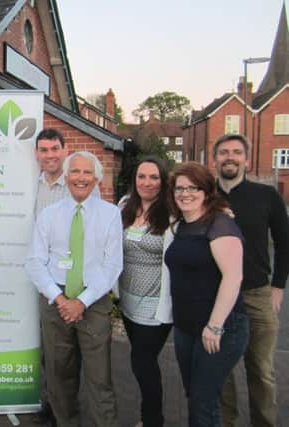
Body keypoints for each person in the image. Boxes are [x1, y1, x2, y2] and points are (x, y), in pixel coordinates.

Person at [25, 151, 122, 427]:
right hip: (55, 302)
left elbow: (112, 265)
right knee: (59, 376)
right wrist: (59, 299)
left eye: (87, 173)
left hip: (94, 302)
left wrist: (81, 301)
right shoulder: (48, 215)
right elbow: (34, 261)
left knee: (99, 378)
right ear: (67, 177)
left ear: (96, 179)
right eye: (76, 172)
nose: (81, 178)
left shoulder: (111, 215)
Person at [164, 162, 248, 427]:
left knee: (204, 401)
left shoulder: (220, 224)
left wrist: (215, 325)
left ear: (207, 191)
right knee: (195, 396)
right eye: (180, 188)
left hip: (219, 327)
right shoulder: (181, 224)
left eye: (193, 188)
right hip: (186, 327)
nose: (185, 193)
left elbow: (233, 278)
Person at [214, 134, 289, 427]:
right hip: (216, 296)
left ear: (246, 158)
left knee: (261, 369)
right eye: (223, 152)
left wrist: (278, 286)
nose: (229, 157)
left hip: (256, 294)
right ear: (215, 159)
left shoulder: (266, 195)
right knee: (220, 369)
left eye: (236, 152)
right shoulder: (204, 195)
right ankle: (225, 422)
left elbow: (284, 243)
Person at [118, 157, 172, 427]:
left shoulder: (173, 213)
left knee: (142, 361)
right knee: (142, 360)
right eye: (142, 176)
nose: (147, 183)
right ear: (134, 179)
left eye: (154, 177)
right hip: (127, 300)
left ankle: (153, 420)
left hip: (156, 303)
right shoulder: (125, 206)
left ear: (163, 181)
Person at [32, 128, 67, 426]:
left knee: (64, 349)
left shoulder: (78, 184)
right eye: (44, 150)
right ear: (37, 154)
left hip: (67, 280)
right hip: (38, 276)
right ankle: (52, 400)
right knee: (46, 345)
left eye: (54, 149)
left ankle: (63, 407)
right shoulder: (33, 185)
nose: (50, 155)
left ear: (63, 150)